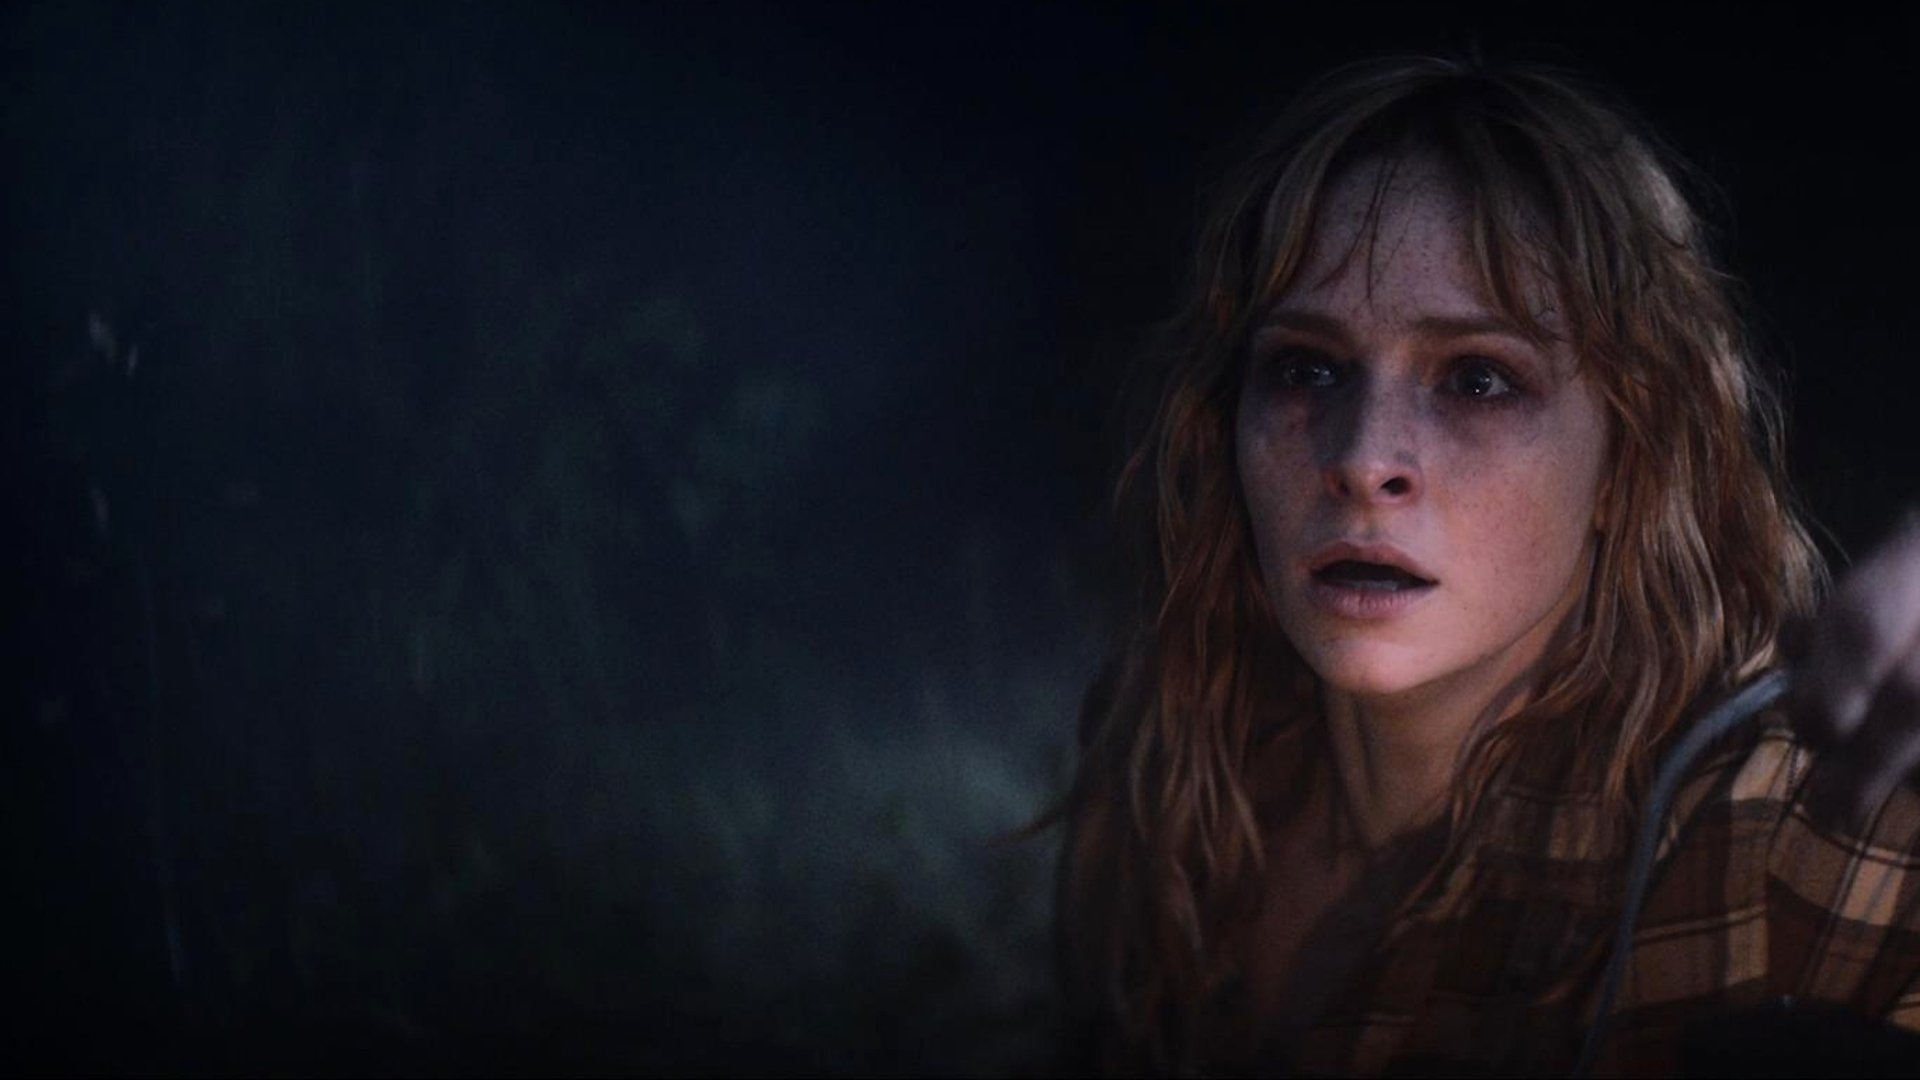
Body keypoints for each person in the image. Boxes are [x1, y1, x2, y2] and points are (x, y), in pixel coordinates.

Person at [1057, 56, 1920, 1075]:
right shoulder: (1173, 761)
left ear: (1631, 458)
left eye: (1477, 379)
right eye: (1306, 367)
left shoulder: (1795, 836)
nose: (1363, 459)